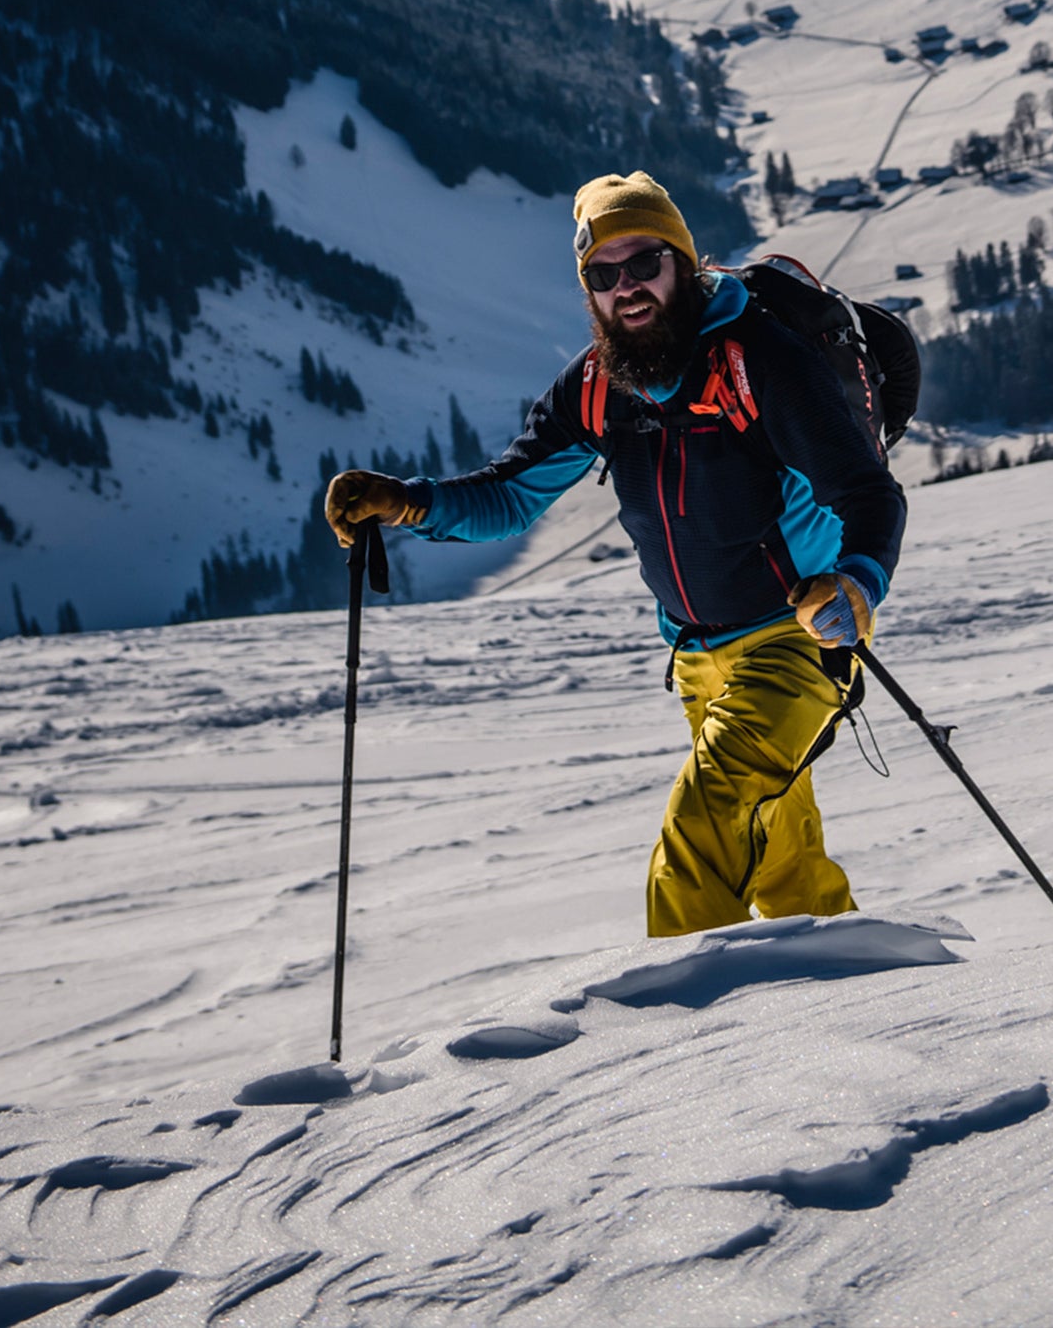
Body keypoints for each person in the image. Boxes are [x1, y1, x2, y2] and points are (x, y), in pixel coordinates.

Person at [324, 171, 907, 933]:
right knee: (776, 848)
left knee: (703, 830)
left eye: (645, 263)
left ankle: (685, 1029)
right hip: (699, 658)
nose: (625, 287)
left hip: (798, 641)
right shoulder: (599, 383)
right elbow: (510, 496)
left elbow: (868, 493)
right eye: (603, 274)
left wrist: (856, 585)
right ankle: (852, 982)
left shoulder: (760, 362)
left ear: (683, 261)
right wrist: (406, 502)